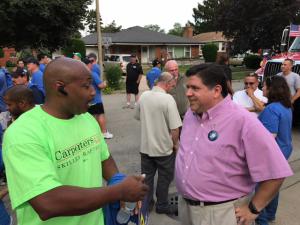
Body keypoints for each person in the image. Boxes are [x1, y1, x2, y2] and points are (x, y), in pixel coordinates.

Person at [2, 57, 148, 225]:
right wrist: (118, 192)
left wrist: (119, 181)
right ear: (60, 87)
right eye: (86, 86)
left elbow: (104, 159)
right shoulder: (23, 133)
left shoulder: (86, 118)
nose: (93, 92)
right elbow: (47, 202)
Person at [175, 63, 293, 225]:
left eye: (194, 88)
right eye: (187, 87)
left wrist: (253, 209)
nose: (187, 93)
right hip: (186, 208)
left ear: (216, 90)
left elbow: (276, 173)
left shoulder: (243, 121)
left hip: (220, 214)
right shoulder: (191, 114)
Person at [135, 72, 182, 214]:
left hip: (146, 146)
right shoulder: (167, 99)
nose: (172, 88)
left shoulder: (143, 96)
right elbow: (175, 128)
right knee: (164, 177)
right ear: (167, 84)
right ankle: (162, 205)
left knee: (147, 177)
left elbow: (137, 116)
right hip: (163, 148)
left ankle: (147, 203)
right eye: (172, 85)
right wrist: (175, 144)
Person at [256, 76, 293, 225]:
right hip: (285, 149)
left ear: (272, 89)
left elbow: (268, 138)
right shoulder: (285, 105)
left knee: (260, 189)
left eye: (264, 86)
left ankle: (262, 219)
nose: (262, 89)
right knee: (273, 185)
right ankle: (270, 214)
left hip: (272, 154)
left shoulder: (271, 109)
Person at [83, 58, 113, 139]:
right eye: (91, 63)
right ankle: (104, 133)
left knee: (90, 117)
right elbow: (100, 85)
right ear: (88, 64)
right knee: (100, 115)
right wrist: (105, 83)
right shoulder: (92, 74)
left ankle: (91, 134)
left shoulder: (81, 74)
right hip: (96, 99)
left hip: (86, 100)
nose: (92, 65)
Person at [276, 58, 300, 126]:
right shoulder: (278, 75)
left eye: (285, 65)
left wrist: (292, 100)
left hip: (291, 101)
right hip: (279, 100)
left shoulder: (296, 76)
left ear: (290, 66)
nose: (282, 66)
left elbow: (299, 91)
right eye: (282, 64)